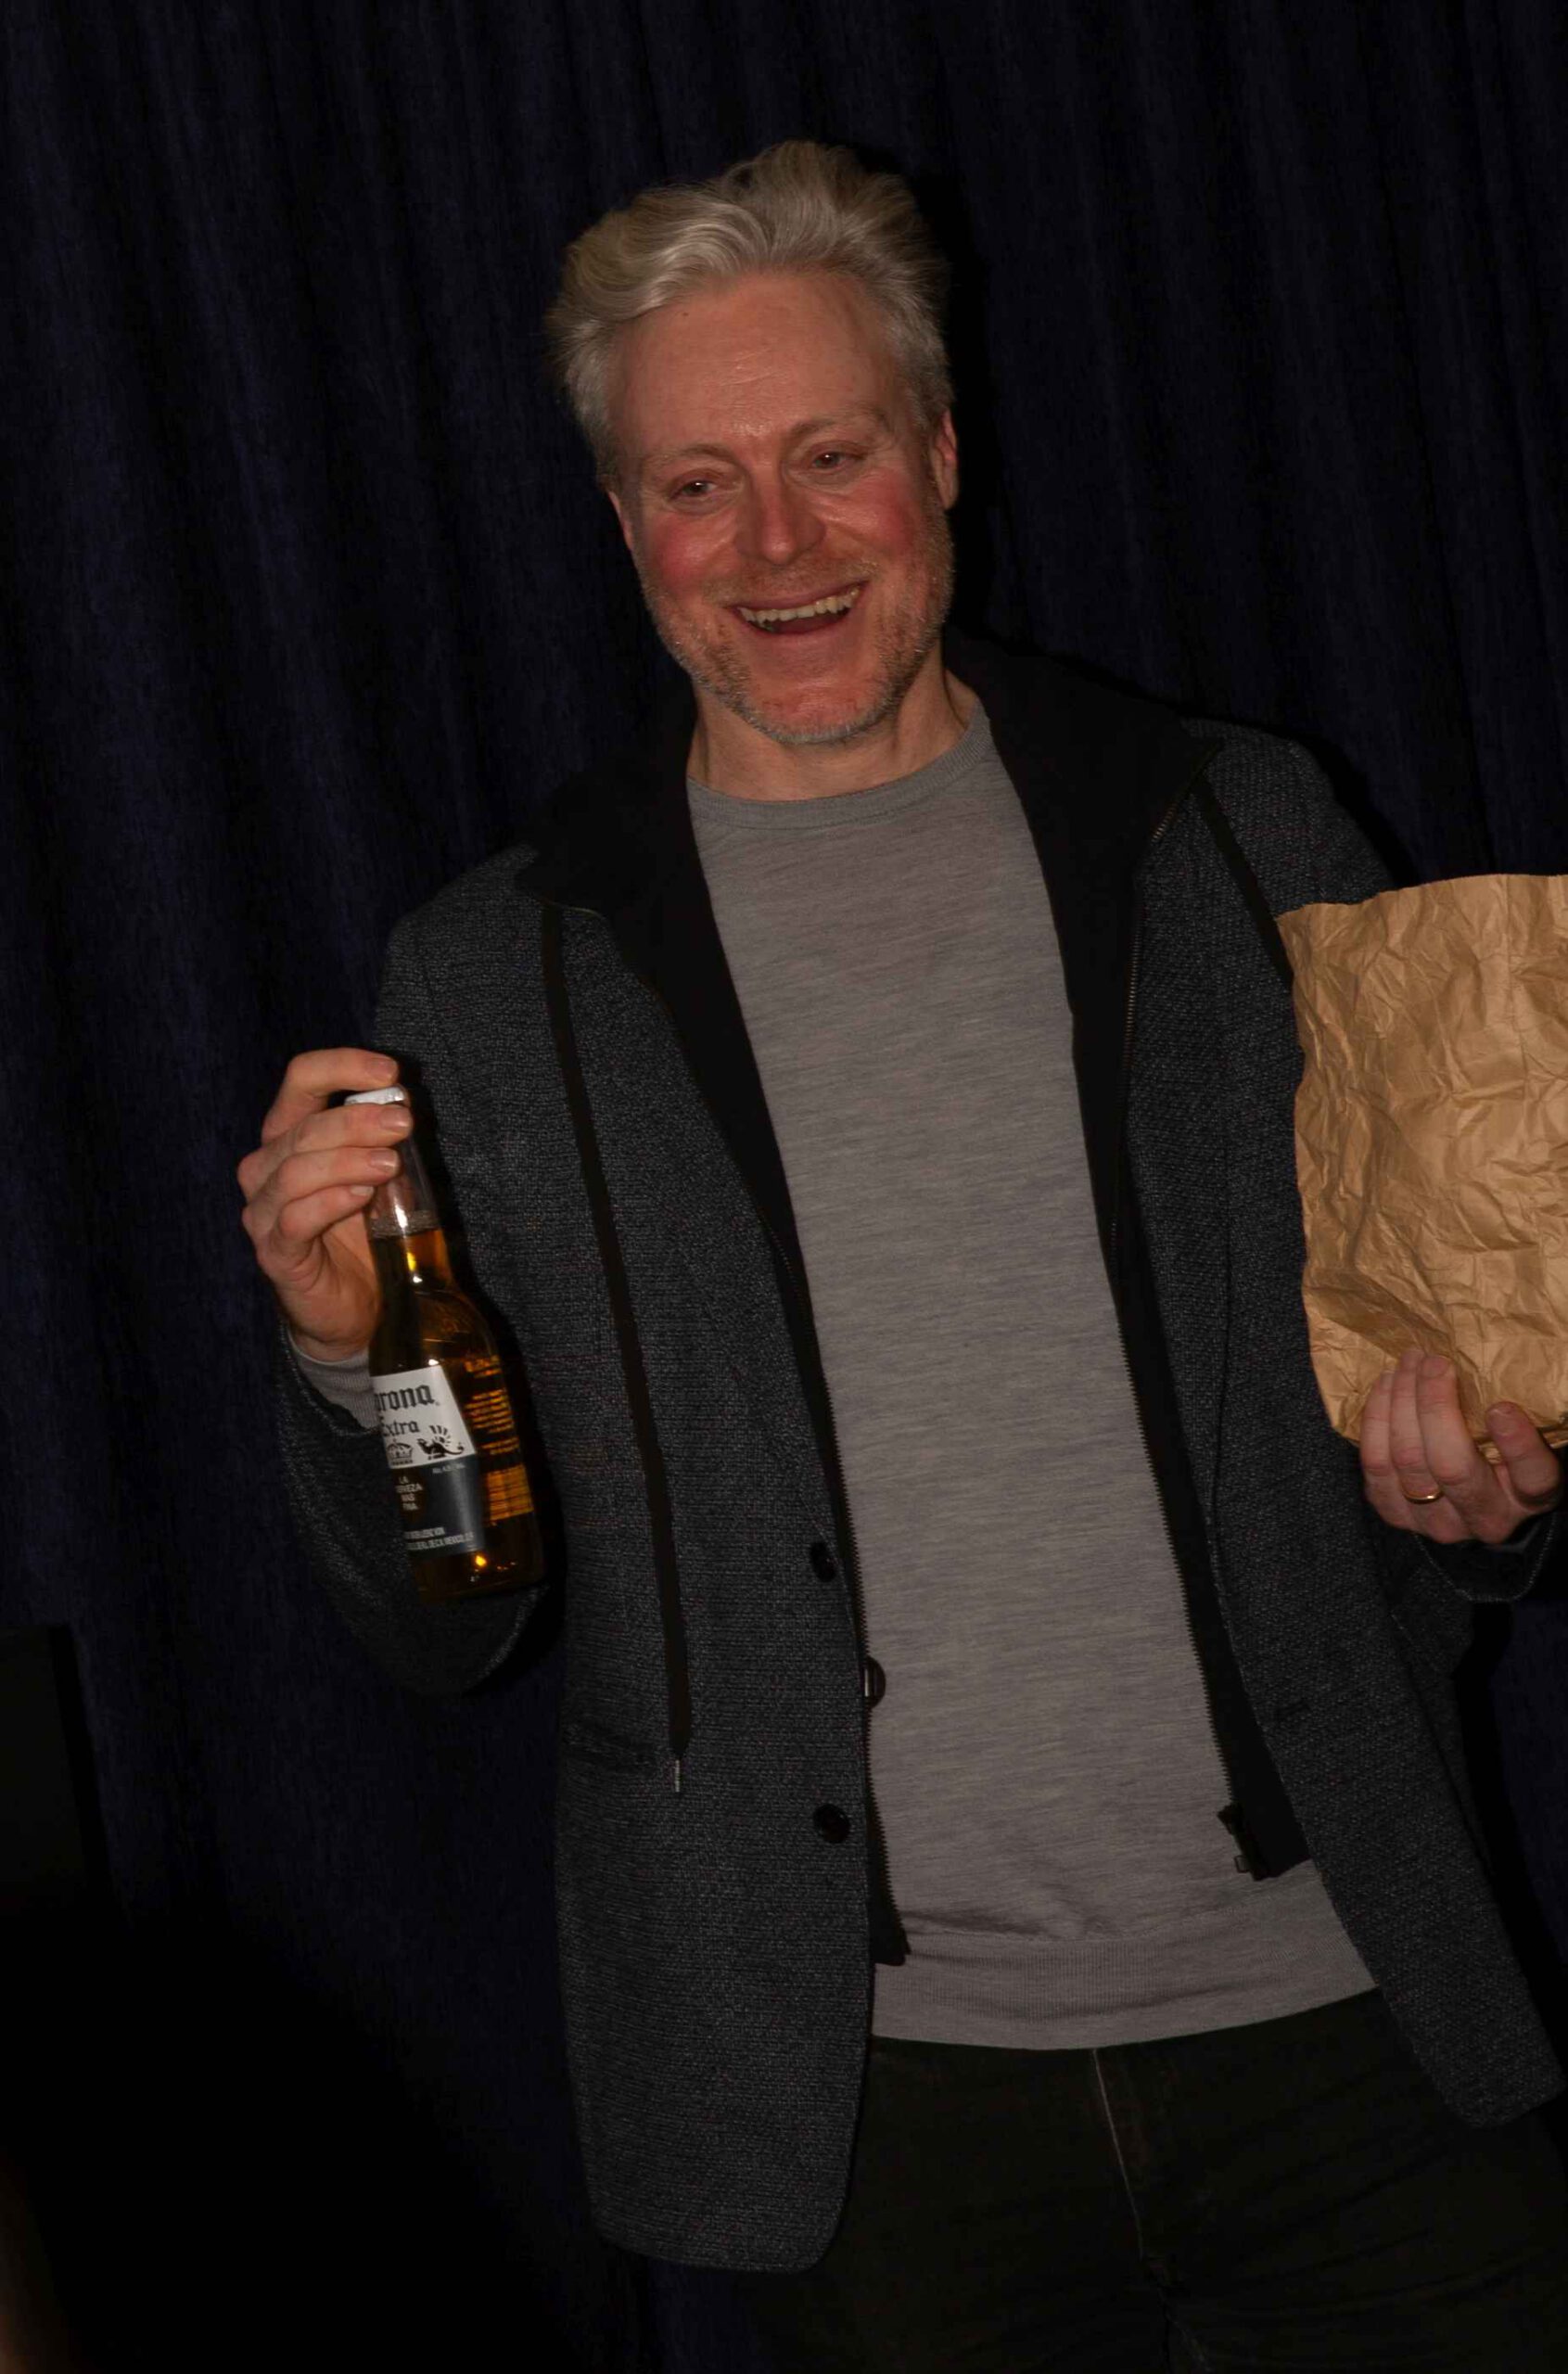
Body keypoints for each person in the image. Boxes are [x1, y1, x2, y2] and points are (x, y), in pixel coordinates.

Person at [238, 142, 1568, 2368]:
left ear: (941, 455)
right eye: (699, 483)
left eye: (832, 455)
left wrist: (1485, 1491)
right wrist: (352, 1357)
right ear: (625, 524)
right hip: (867, 2107)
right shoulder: (494, 976)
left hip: (1354, 2010)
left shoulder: (1237, 830)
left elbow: (1445, 1408)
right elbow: (445, 1622)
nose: (777, 545)